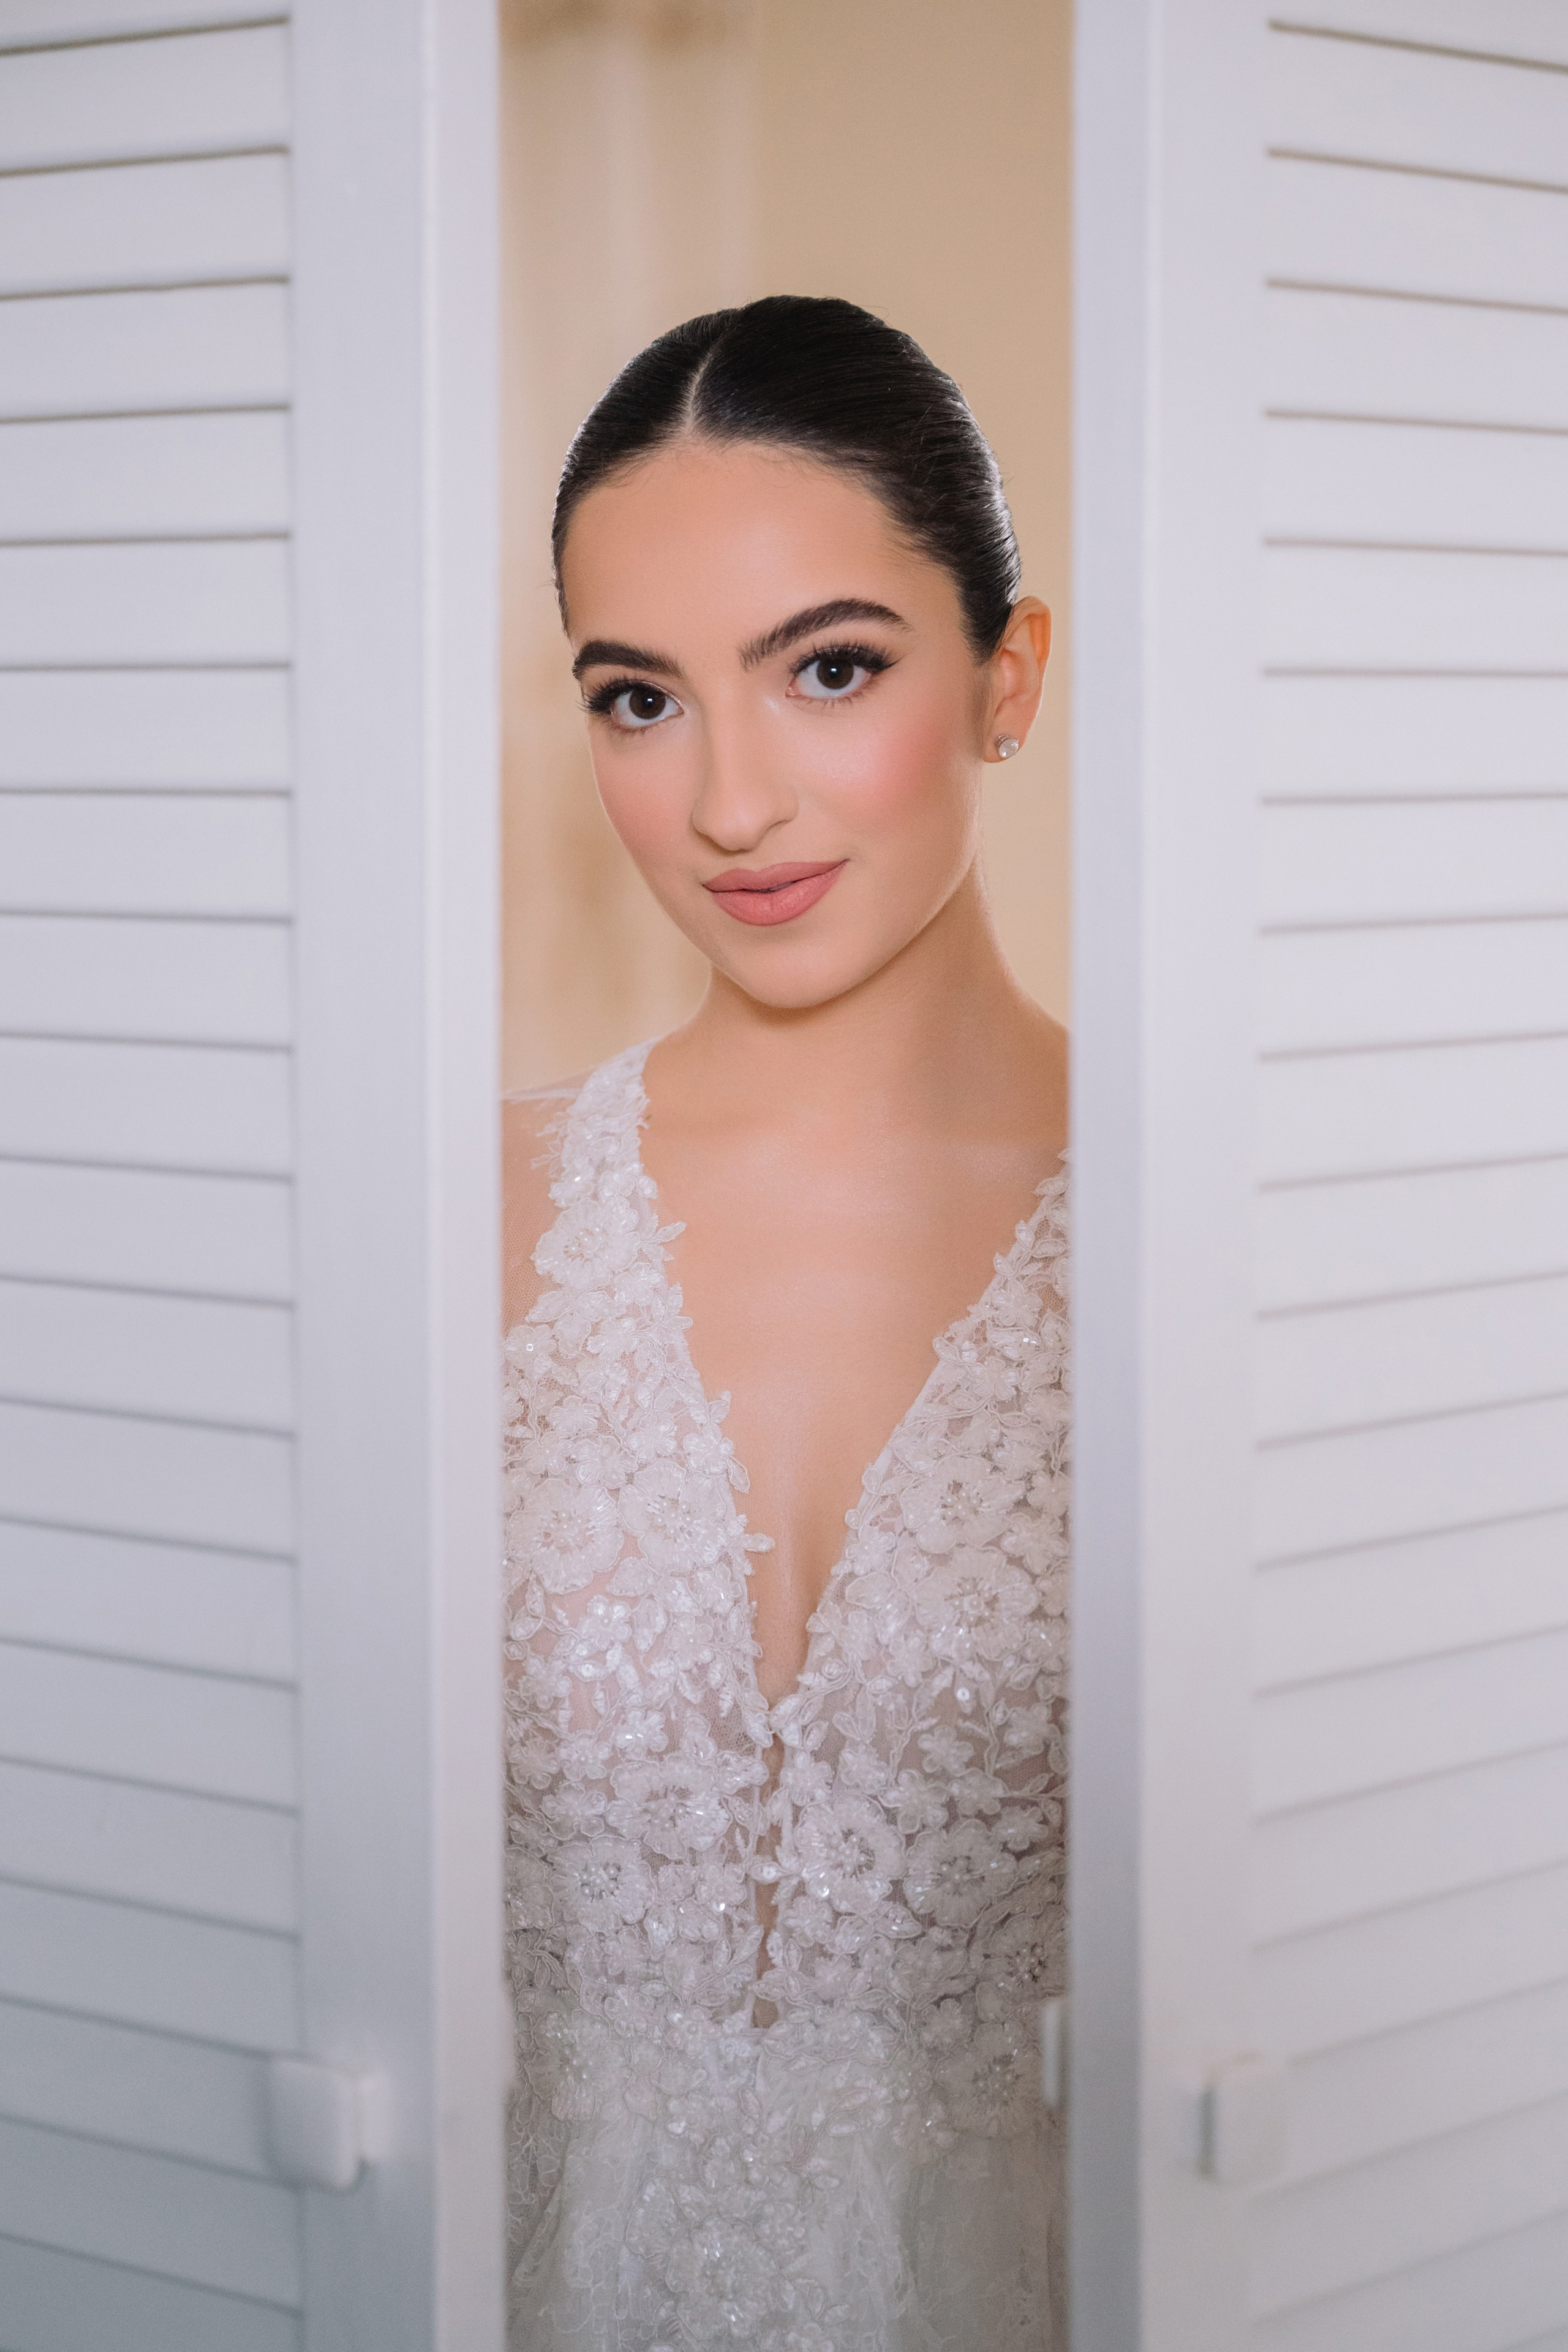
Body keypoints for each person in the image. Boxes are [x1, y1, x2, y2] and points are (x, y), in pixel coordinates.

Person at [501, 295, 1069, 2352]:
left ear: (1008, 677)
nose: (730, 803)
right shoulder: (448, 1222)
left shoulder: (1216, 1240)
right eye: (637, 700)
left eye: (829, 671)